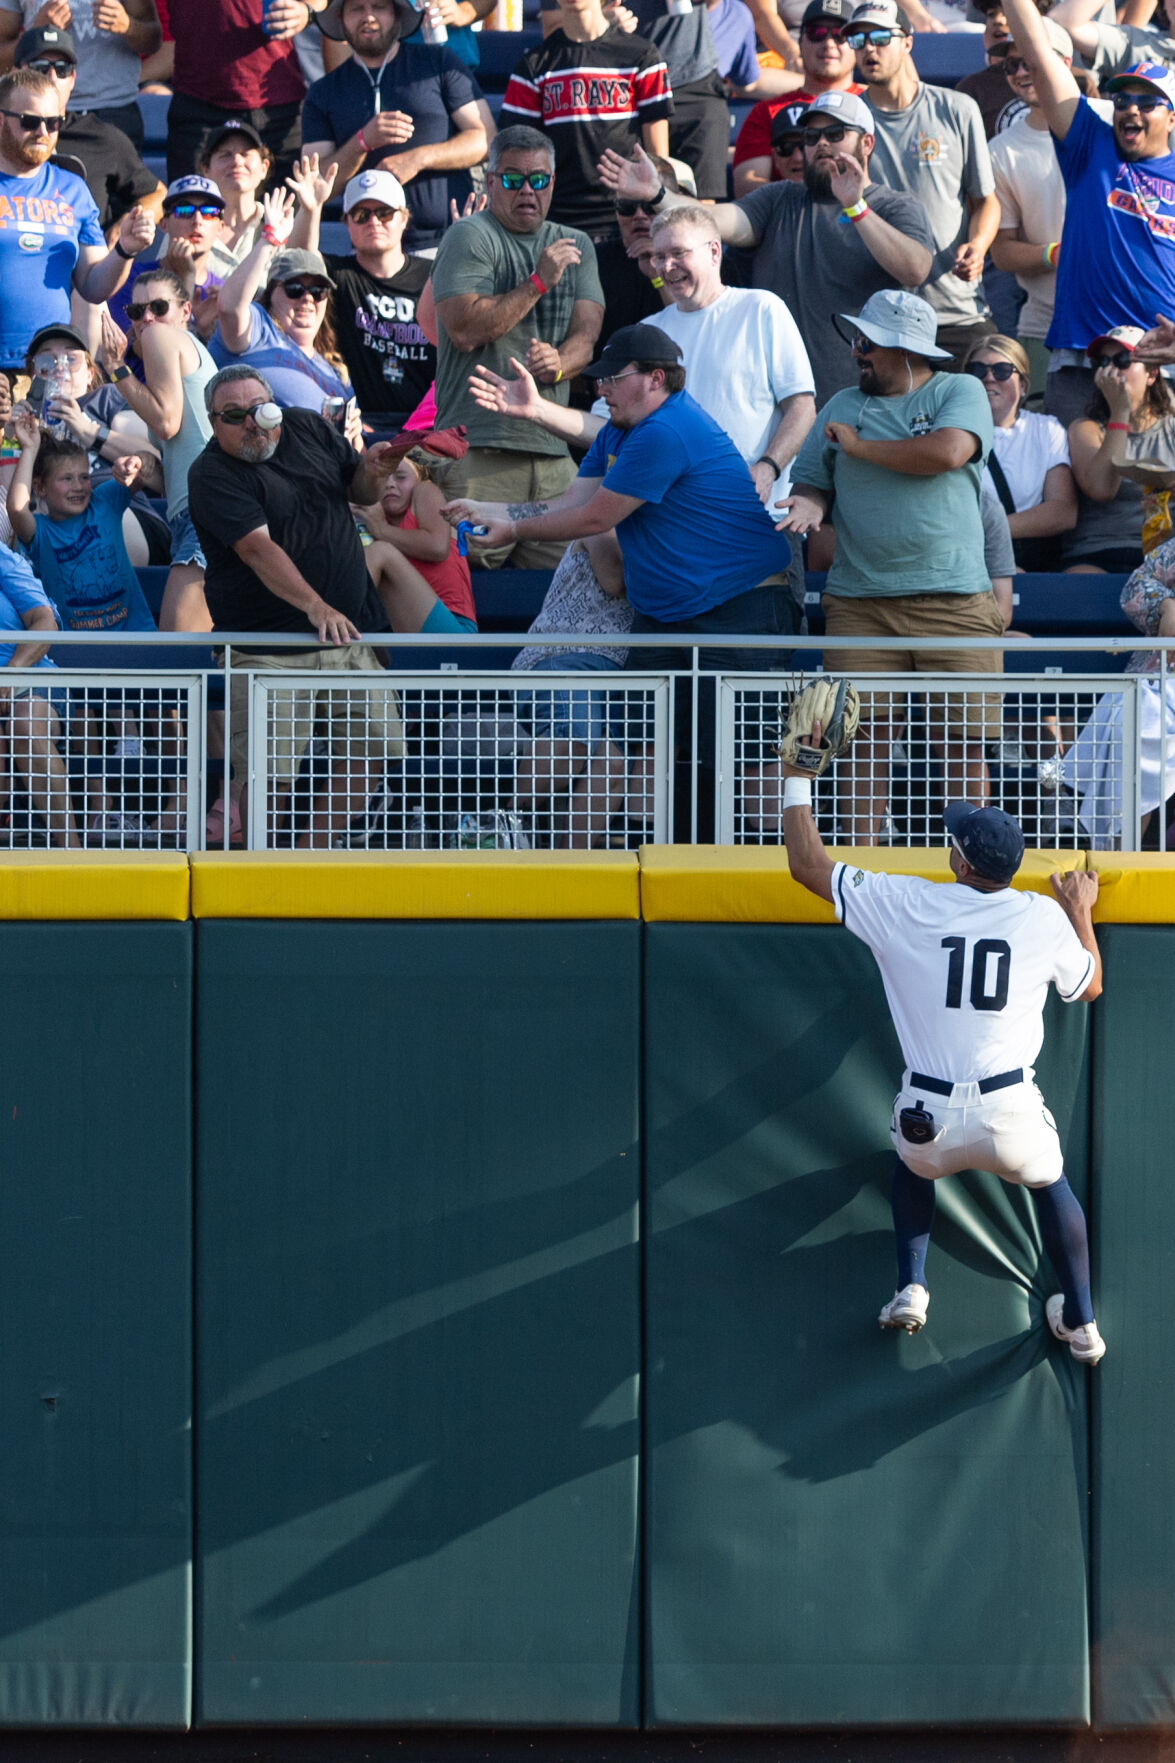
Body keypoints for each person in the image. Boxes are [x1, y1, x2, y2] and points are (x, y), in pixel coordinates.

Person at [777, 750, 1107, 1364]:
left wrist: (798, 776)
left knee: (912, 1166)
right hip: (1010, 1112)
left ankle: (911, 1285)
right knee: (1050, 1183)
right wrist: (1079, 912)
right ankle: (1083, 1323)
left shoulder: (906, 903)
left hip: (926, 1114)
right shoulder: (1041, 915)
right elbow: (1087, 987)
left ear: (959, 860)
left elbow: (806, 865)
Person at [467, 204, 815, 615]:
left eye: (678, 253)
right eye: (658, 255)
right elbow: (609, 430)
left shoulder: (761, 308)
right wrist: (538, 410)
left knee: (755, 659)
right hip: (670, 534)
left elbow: (803, 406)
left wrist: (768, 467)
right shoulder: (652, 332)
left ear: (715, 252)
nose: (666, 266)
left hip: (754, 521)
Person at [442, 324, 796, 709]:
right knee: (642, 746)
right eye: (599, 379)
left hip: (739, 608)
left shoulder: (666, 429)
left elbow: (593, 520)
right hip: (669, 615)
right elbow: (572, 504)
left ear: (656, 379)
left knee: (741, 757)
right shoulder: (617, 431)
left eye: (613, 378)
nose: (600, 389)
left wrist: (511, 528)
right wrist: (491, 511)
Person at [778, 289, 999, 842]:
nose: (856, 352)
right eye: (856, 339)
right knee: (861, 739)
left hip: (956, 603)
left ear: (905, 349)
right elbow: (811, 478)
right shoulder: (839, 405)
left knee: (961, 743)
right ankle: (861, 863)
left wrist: (859, 448)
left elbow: (947, 452)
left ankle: (973, 868)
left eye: (866, 342)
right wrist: (810, 502)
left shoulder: (960, 388)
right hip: (860, 606)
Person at [186, 364, 405, 846]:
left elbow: (358, 492)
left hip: (348, 634)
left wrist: (373, 469)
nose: (251, 424)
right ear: (212, 421)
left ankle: (310, 862)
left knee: (370, 752)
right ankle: (262, 872)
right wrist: (316, 606)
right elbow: (257, 549)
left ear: (275, 408)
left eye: (260, 410)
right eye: (234, 415)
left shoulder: (306, 425)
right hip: (269, 644)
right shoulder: (209, 473)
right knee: (267, 772)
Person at [598, 95, 933, 409]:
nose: (821, 144)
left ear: (867, 143)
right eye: (812, 136)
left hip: (868, 397)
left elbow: (915, 269)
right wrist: (658, 194)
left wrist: (855, 205)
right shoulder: (779, 199)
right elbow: (714, 221)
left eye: (835, 133)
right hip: (783, 401)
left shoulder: (895, 206)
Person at [431, 125, 605, 567]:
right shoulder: (469, 235)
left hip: (554, 454)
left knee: (583, 575)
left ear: (552, 183)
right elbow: (464, 330)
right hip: (478, 449)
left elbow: (587, 337)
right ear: (489, 183)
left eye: (539, 180)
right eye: (512, 179)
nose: (527, 190)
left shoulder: (576, 243)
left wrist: (560, 364)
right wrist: (537, 283)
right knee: (464, 580)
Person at [1002, 0, 1175, 427]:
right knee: (1083, 488)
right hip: (1084, 359)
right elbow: (1039, 56)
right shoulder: (1090, 146)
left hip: (1165, 366)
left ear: (1172, 118)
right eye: (1122, 99)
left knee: (1161, 492)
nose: (1131, 109)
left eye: (1147, 102)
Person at [847, 0, 1000, 362]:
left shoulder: (957, 108)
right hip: (881, 317)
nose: (869, 47)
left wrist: (978, 247)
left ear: (908, 43)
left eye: (881, 37)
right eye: (859, 39)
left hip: (956, 310)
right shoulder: (849, 121)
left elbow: (986, 200)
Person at [301, 0, 490, 253]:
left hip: (448, 245)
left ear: (398, 16)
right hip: (370, 258)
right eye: (357, 9)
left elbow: (486, 138)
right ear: (340, 18)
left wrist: (418, 159)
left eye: (379, 7)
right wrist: (361, 142)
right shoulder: (323, 92)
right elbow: (314, 184)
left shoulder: (439, 62)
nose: (368, 17)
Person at [0, 66, 154, 372]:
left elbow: (93, 286)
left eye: (53, 122)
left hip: (50, 367)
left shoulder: (72, 188)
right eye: (30, 122)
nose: (43, 133)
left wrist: (124, 249)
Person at [987, 16, 1107, 395]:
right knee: (1047, 443)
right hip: (1045, 325)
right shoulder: (1001, 151)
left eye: (1030, 62)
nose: (1022, 72)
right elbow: (1002, 252)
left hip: (1122, 321)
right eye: (1011, 65)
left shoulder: (1109, 124)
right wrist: (1056, 253)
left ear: (1065, 63)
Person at [97, 263, 218, 628]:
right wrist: (145, 467)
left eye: (158, 308)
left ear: (185, 311)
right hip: (201, 512)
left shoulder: (158, 337)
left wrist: (115, 366)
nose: (146, 318)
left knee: (179, 663)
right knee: (213, 665)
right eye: (136, 311)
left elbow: (166, 423)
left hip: (205, 515)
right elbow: (177, 458)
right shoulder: (182, 351)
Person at [288, 160, 436, 437]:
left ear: (404, 218)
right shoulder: (338, 274)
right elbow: (300, 262)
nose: (373, 222)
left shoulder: (432, 275)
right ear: (345, 222)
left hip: (425, 423)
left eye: (384, 212)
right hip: (358, 424)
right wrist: (310, 210)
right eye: (360, 214)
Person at [500, 0, 672, 238]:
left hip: (629, 220)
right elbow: (517, 156)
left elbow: (658, 159)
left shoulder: (642, 55)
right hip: (559, 222)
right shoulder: (533, 66)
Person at [211, 191, 354, 418]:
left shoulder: (336, 372)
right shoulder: (258, 330)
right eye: (295, 289)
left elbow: (358, 449)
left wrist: (356, 435)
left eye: (318, 292)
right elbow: (229, 307)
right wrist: (269, 240)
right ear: (271, 294)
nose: (307, 298)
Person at [7, 419, 155, 630]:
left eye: (84, 477)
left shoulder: (105, 501)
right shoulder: (41, 532)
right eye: (66, 479)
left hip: (136, 636)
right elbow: (16, 509)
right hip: (79, 646)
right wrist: (30, 449)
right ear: (39, 488)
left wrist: (138, 461)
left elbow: (148, 471)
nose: (78, 487)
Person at [13, 25, 163, 231]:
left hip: (89, 259)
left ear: (73, 78)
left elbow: (157, 194)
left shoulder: (101, 136)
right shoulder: (5, 131)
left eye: (62, 68)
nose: (52, 77)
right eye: (40, 67)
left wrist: (120, 232)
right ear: (16, 73)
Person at [164, 0, 325, 187]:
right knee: (192, 212)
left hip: (279, 106)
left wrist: (307, 11)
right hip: (198, 105)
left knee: (288, 212)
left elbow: (324, 3)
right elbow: (145, 19)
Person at [1065, 325, 1175, 572]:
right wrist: (1120, 413)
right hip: (1098, 551)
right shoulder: (1086, 429)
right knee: (1080, 587)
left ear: (1152, 374)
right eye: (1103, 362)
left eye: (1123, 360)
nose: (1112, 369)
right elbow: (1102, 489)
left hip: (1165, 554)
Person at [962, 333, 1076, 569]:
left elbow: (1063, 511)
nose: (989, 378)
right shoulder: (949, 431)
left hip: (1025, 558)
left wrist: (993, 529)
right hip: (968, 557)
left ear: (1023, 385)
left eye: (1002, 370)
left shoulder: (1046, 429)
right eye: (978, 370)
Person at [732, 0, 864, 197]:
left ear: (855, 45)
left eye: (839, 35)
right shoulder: (767, 112)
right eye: (816, 33)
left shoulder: (870, 105)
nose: (828, 43)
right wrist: (813, 200)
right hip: (790, 222)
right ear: (800, 41)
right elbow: (746, 185)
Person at [0, 539, 79, 847]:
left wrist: (11, 672)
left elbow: (45, 623)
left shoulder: (5, 560)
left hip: (30, 677)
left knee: (24, 723)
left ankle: (71, 850)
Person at [0, 0, 160, 148]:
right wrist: (36, 35)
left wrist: (128, 27)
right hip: (42, 112)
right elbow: (2, 60)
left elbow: (154, 40)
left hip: (114, 108)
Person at [359, 442, 477, 625]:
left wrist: (382, 530)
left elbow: (437, 547)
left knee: (379, 551)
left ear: (418, 478)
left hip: (454, 632)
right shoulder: (373, 521)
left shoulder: (424, 491)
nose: (390, 484)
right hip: (402, 635)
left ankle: (335, 625)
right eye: (383, 478)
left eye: (400, 477)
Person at [108, 173, 229, 343]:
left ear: (220, 227)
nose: (197, 220)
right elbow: (131, 348)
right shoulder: (131, 277)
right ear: (163, 224)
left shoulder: (221, 293)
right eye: (184, 210)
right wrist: (185, 278)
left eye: (209, 212)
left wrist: (205, 333)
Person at [197, 120, 271, 278]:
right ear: (206, 169)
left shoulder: (279, 223)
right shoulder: (187, 222)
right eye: (225, 155)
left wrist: (311, 210)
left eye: (245, 154)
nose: (237, 162)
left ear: (264, 168)